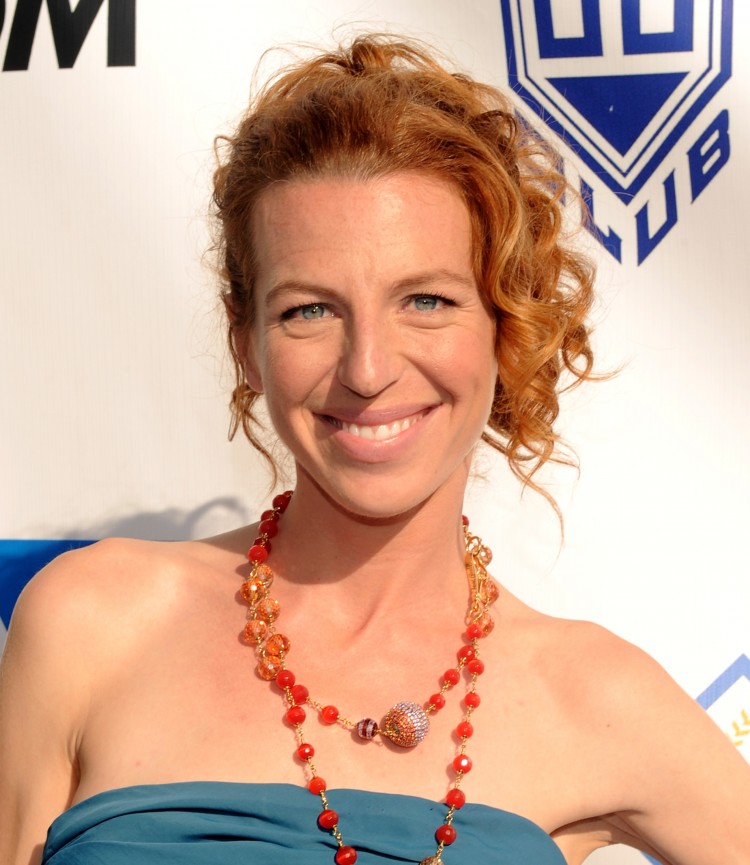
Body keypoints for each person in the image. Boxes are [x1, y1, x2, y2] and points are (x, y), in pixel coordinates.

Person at [1, 33, 748, 865]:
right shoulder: (90, 624)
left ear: (504, 327)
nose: (368, 368)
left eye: (425, 299)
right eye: (309, 310)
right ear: (245, 344)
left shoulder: (597, 700)